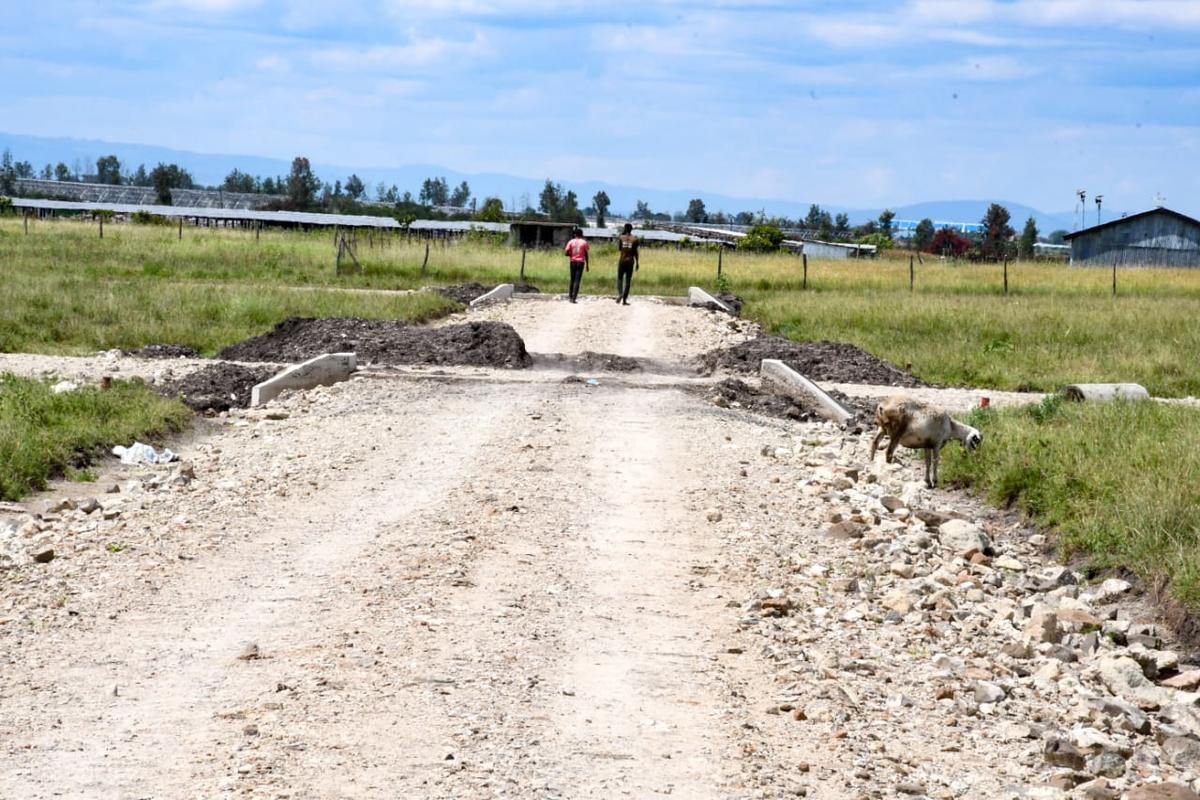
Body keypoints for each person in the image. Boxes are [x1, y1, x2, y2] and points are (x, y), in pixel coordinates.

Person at [615, 222, 639, 305]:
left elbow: (619, 249)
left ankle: (620, 294)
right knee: (628, 281)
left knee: (620, 278)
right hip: (630, 261)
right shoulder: (635, 239)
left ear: (625, 229)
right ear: (631, 229)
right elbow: (636, 252)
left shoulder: (621, 237)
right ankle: (624, 300)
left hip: (622, 260)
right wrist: (637, 263)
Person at [563, 228, 589, 303]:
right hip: (580, 262)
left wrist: (571, 254)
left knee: (572, 279)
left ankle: (570, 296)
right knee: (577, 280)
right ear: (581, 234)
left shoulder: (571, 242)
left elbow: (566, 253)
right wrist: (587, 265)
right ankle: (574, 298)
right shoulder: (584, 242)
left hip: (573, 262)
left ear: (575, 234)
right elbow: (586, 254)